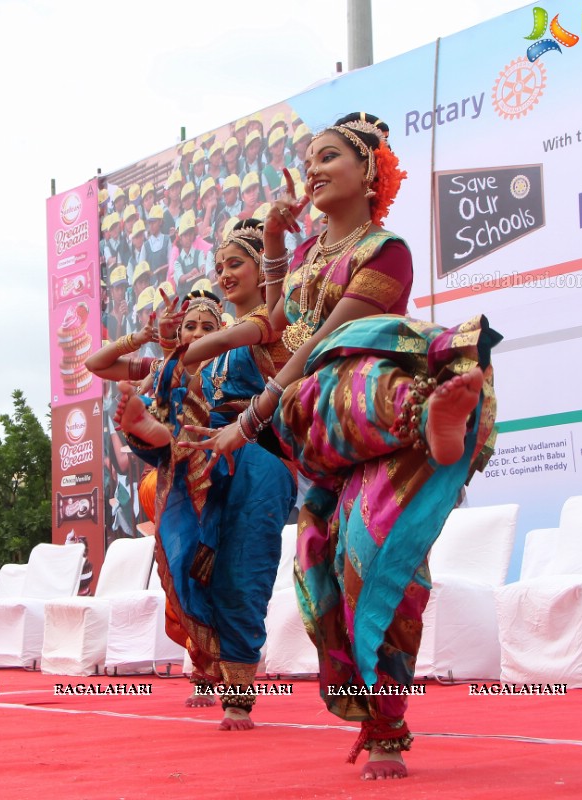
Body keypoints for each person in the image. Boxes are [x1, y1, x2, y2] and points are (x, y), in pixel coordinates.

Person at [184, 113, 498, 778]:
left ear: (368, 173)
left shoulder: (388, 249)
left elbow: (326, 334)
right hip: (318, 440)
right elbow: (278, 319)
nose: (315, 168)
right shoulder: (305, 255)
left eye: (329, 156)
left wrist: (259, 409)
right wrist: (264, 255)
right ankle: (376, 714)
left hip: (355, 390)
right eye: (310, 159)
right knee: (321, 572)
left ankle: (428, 419)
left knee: (374, 554)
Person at [107, 272, 298, 732]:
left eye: (236, 262)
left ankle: (237, 696)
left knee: (242, 573)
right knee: (193, 560)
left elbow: (285, 358)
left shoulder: (264, 333)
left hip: (256, 462)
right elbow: (100, 364)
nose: (225, 272)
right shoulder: (193, 365)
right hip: (202, 461)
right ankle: (158, 434)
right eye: (220, 263)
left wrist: (170, 347)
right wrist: (153, 342)